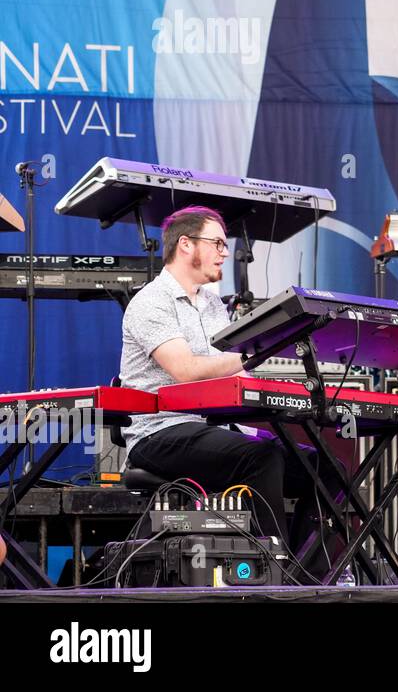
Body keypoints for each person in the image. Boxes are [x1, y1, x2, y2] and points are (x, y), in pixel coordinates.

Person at [119, 205, 330, 554]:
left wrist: (283, 391)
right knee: (262, 458)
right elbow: (185, 369)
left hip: (215, 429)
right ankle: (276, 569)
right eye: (217, 243)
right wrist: (252, 354)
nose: (224, 252)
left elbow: (236, 372)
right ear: (186, 245)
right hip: (160, 432)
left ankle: (312, 571)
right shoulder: (151, 302)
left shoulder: (214, 304)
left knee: (323, 466)